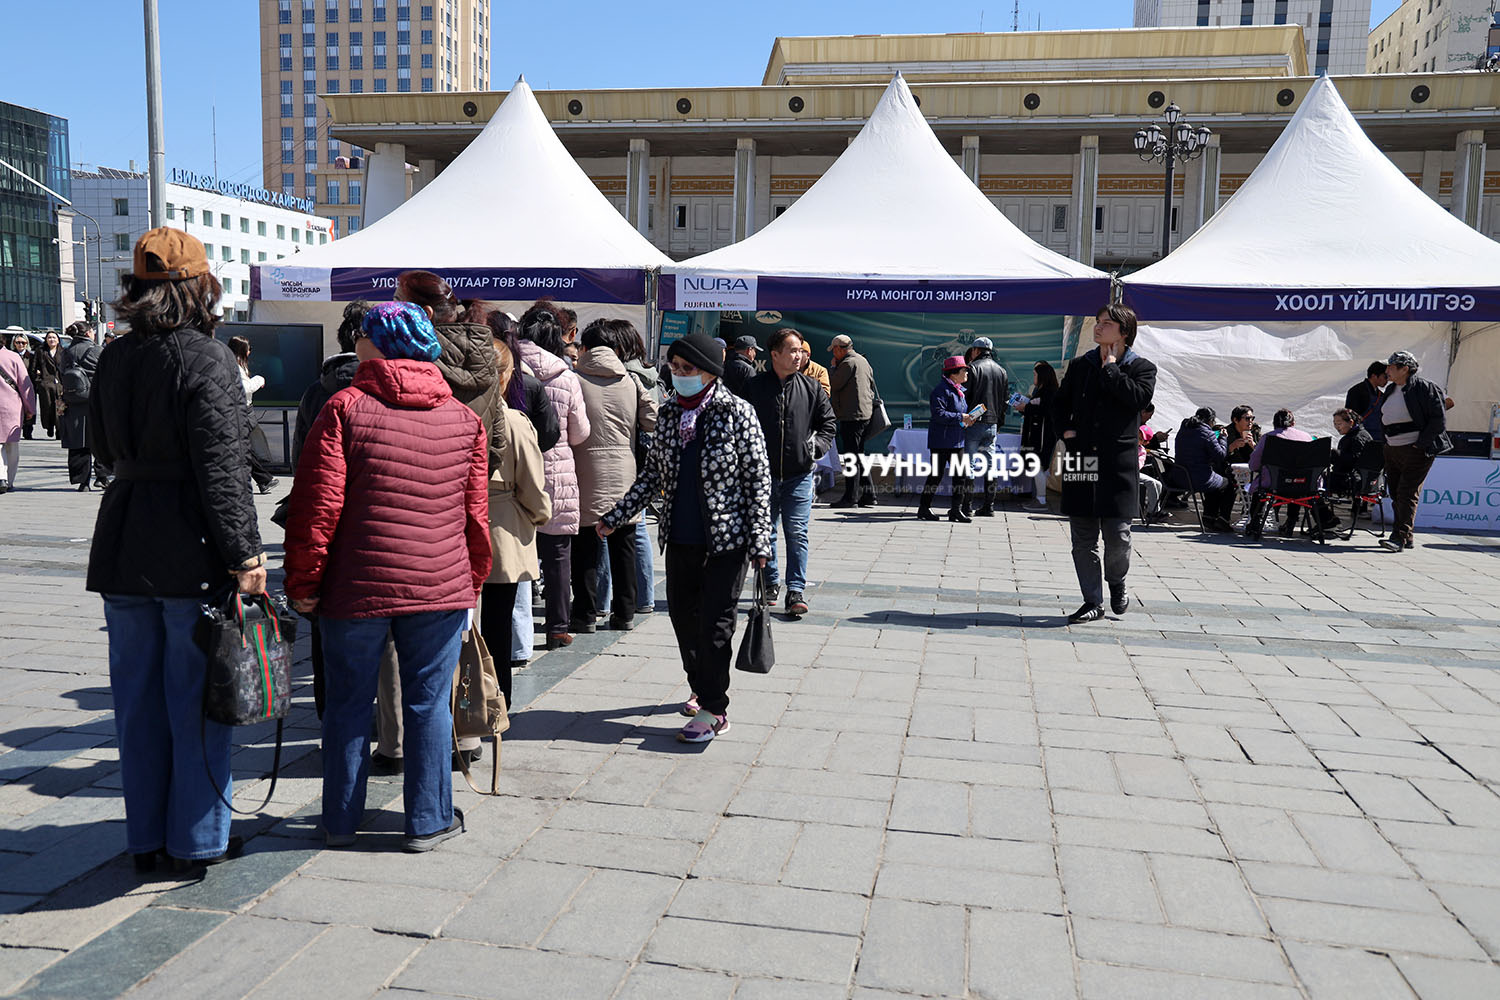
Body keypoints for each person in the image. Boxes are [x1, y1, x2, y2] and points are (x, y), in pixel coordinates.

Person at [86, 227, 264, 872]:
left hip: (126, 534)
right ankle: (195, 839)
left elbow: (101, 447)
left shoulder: (115, 355)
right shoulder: (206, 358)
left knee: (137, 706)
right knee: (197, 703)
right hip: (190, 545)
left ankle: (146, 838)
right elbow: (223, 469)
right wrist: (246, 555)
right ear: (198, 287)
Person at [285, 301, 490, 853]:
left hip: (356, 585)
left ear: (376, 344)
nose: (357, 344)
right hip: (439, 584)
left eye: (364, 336)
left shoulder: (344, 408)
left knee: (348, 704)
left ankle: (340, 821)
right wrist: (471, 580)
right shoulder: (463, 417)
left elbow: (316, 508)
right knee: (428, 704)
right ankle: (427, 820)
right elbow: (474, 515)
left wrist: (303, 583)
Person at [597, 334, 771, 744]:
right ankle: (702, 684)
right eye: (674, 367)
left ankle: (714, 708)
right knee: (683, 620)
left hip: (726, 541)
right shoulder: (670, 413)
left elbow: (757, 481)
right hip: (679, 538)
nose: (678, 374)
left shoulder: (737, 412)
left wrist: (761, 541)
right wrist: (616, 516)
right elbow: (652, 474)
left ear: (709, 372)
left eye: (687, 368)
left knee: (715, 625)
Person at [288, 300, 368, 725]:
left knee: (323, 623)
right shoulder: (378, 389)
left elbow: (300, 460)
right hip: (369, 522)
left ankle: (328, 710)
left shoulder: (316, 390)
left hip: (323, 521)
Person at [1054, 305, 1157, 623]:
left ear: (1124, 331)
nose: (1098, 327)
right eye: (1098, 322)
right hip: (1082, 457)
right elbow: (1059, 404)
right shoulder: (1080, 365)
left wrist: (1111, 370)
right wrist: (1066, 432)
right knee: (1082, 538)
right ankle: (1092, 601)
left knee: (1118, 536)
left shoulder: (1142, 368)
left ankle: (1117, 580)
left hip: (1117, 464)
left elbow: (1139, 400)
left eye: (1106, 323)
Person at [570, 319, 658, 632]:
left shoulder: (574, 379)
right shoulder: (631, 381)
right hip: (625, 472)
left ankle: (585, 615)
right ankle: (624, 614)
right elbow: (653, 419)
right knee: (624, 545)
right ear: (616, 350)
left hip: (585, 470)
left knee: (585, 547)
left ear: (584, 348)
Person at [479, 328, 551, 709]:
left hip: (459, 527)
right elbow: (533, 485)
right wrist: (540, 515)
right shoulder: (513, 421)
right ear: (506, 377)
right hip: (502, 529)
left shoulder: (456, 413)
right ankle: (496, 703)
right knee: (497, 626)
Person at [744, 328, 837, 616]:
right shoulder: (754, 387)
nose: (799, 356)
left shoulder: (811, 388)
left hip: (799, 474)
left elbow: (828, 424)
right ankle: (770, 582)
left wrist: (816, 448)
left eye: (801, 351)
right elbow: (738, 424)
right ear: (775, 355)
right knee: (766, 531)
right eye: (793, 351)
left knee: (797, 532)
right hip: (762, 476)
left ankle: (796, 589)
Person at [517, 301, 591, 649]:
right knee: (558, 552)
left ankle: (512, 630)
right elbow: (580, 432)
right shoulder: (565, 376)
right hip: (556, 467)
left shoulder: (505, 367)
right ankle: (558, 627)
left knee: (514, 545)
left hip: (513, 466)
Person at [1377, 350, 1451, 552]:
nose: (1387, 370)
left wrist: (1420, 444)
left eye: (1391, 367)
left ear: (1405, 369)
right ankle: (1406, 535)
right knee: (1395, 493)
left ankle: (1398, 538)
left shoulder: (1424, 387)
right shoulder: (1391, 389)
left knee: (1406, 493)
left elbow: (1438, 420)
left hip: (1415, 449)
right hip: (1392, 448)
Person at [1245, 408, 1328, 537]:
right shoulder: (1307, 437)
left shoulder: (1268, 437)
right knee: (1296, 484)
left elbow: (1254, 464)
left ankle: (1256, 523)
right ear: (1293, 423)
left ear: (1274, 424)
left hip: (1274, 483)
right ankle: (1291, 522)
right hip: (1303, 484)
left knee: (1260, 488)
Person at [917, 356, 977, 523]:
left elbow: (957, 414)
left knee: (960, 475)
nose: (967, 373)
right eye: (964, 370)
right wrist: (961, 417)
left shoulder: (958, 390)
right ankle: (924, 508)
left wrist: (967, 420)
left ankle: (956, 510)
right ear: (954, 373)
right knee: (936, 475)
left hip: (957, 441)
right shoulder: (941, 390)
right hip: (941, 441)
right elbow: (939, 414)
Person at [828, 334, 878, 508]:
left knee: (851, 457)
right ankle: (869, 494)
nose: (833, 354)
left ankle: (851, 498)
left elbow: (834, 383)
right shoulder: (863, 361)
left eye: (833, 350)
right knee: (858, 455)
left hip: (852, 415)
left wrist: (833, 368)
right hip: (864, 414)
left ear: (839, 349)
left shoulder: (847, 363)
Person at [226, 335, 279, 495]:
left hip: (239, 411)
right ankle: (264, 480)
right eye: (248, 349)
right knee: (242, 448)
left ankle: (263, 480)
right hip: (242, 412)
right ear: (242, 350)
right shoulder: (235, 366)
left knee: (241, 448)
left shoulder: (229, 364)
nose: (250, 352)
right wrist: (259, 379)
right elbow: (246, 388)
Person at [963, 336, 1009, 517]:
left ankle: (967, 506)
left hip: (973, 423)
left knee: (969, 465)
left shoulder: (972, 368)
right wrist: (999, 423)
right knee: (990, 465)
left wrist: (964, 419)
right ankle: (989, 506)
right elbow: (1004, 402)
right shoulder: (1002, 371)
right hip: (992, 423)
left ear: (975, 351)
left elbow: (965, 397)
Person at [59, 320, 108, 491]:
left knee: (78, 441)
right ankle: (102, 476)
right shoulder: (97, 350)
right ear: (88, 333)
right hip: (96, 401)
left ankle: (82, 481)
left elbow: (61, 373)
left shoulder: (66, 352)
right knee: (100, 439)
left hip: (73, 401)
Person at [1174, 407, 1237, 532]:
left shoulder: (1184, 428)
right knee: (1229, 484)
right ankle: (1222, 520)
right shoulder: (1207, 433)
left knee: (1215, 479)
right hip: (1198, 479)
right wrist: (1223, 437)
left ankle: (1209, 517)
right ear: (1211, 421)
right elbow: (1220, 456)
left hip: (1179, 476)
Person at [1014, 360, 1059, 512]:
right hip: (1036, 435)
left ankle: (1041, 500)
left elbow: (1046, 411)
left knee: (1038, 466)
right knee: (1037, 467)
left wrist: (1027, 407)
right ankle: (1039, 498)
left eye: (1035, 374)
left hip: (1042, 437)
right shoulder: (1040, 390)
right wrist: (1026, 407)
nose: (1033, 376)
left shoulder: (1050, 392)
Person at [0, 337, 37, 493]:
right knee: (12, 444)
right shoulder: (14, 357)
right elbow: (25, 384)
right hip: (11, 405)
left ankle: (1, 476)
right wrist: (31, 409)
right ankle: (8, 480)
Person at [1329, 407, 1373, 495]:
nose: (1337, 427)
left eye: (1339, 424)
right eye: (1335, 424)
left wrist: (1335, 454)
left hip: (1352, 481)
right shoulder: (1360, 434)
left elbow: (1357, 460)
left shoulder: (1357, 437)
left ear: (1351, 422)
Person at [28, 330, 63, 439]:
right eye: (49, 337)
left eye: (54, 337)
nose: (52, 340)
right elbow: (33, 368)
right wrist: (39, 380)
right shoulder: (40, 351)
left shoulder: (63, 352)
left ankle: (59, 429)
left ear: (58, 340)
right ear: (46, 340)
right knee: (47, 407)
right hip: (46, 384)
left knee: (60, 408)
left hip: (60, 384)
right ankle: (49, 426)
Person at [1345, 361, 1390, 444]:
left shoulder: (1381, 395)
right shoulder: (1356, 391)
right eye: (1385, 376)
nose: (1387, 380)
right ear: (1374, 376)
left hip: (1380, 438)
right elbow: (1350, 419)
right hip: (1362, 440)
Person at [9, 333, 35, 440]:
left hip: (28, 385)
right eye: (18, 342)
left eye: (23, 343)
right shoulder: (10, 355)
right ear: (14, 344)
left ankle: (28, 430)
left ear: (27, 344)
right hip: (13, 386)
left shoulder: (31, 356)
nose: (20, 345)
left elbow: (34, 370)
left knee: (29, 406)